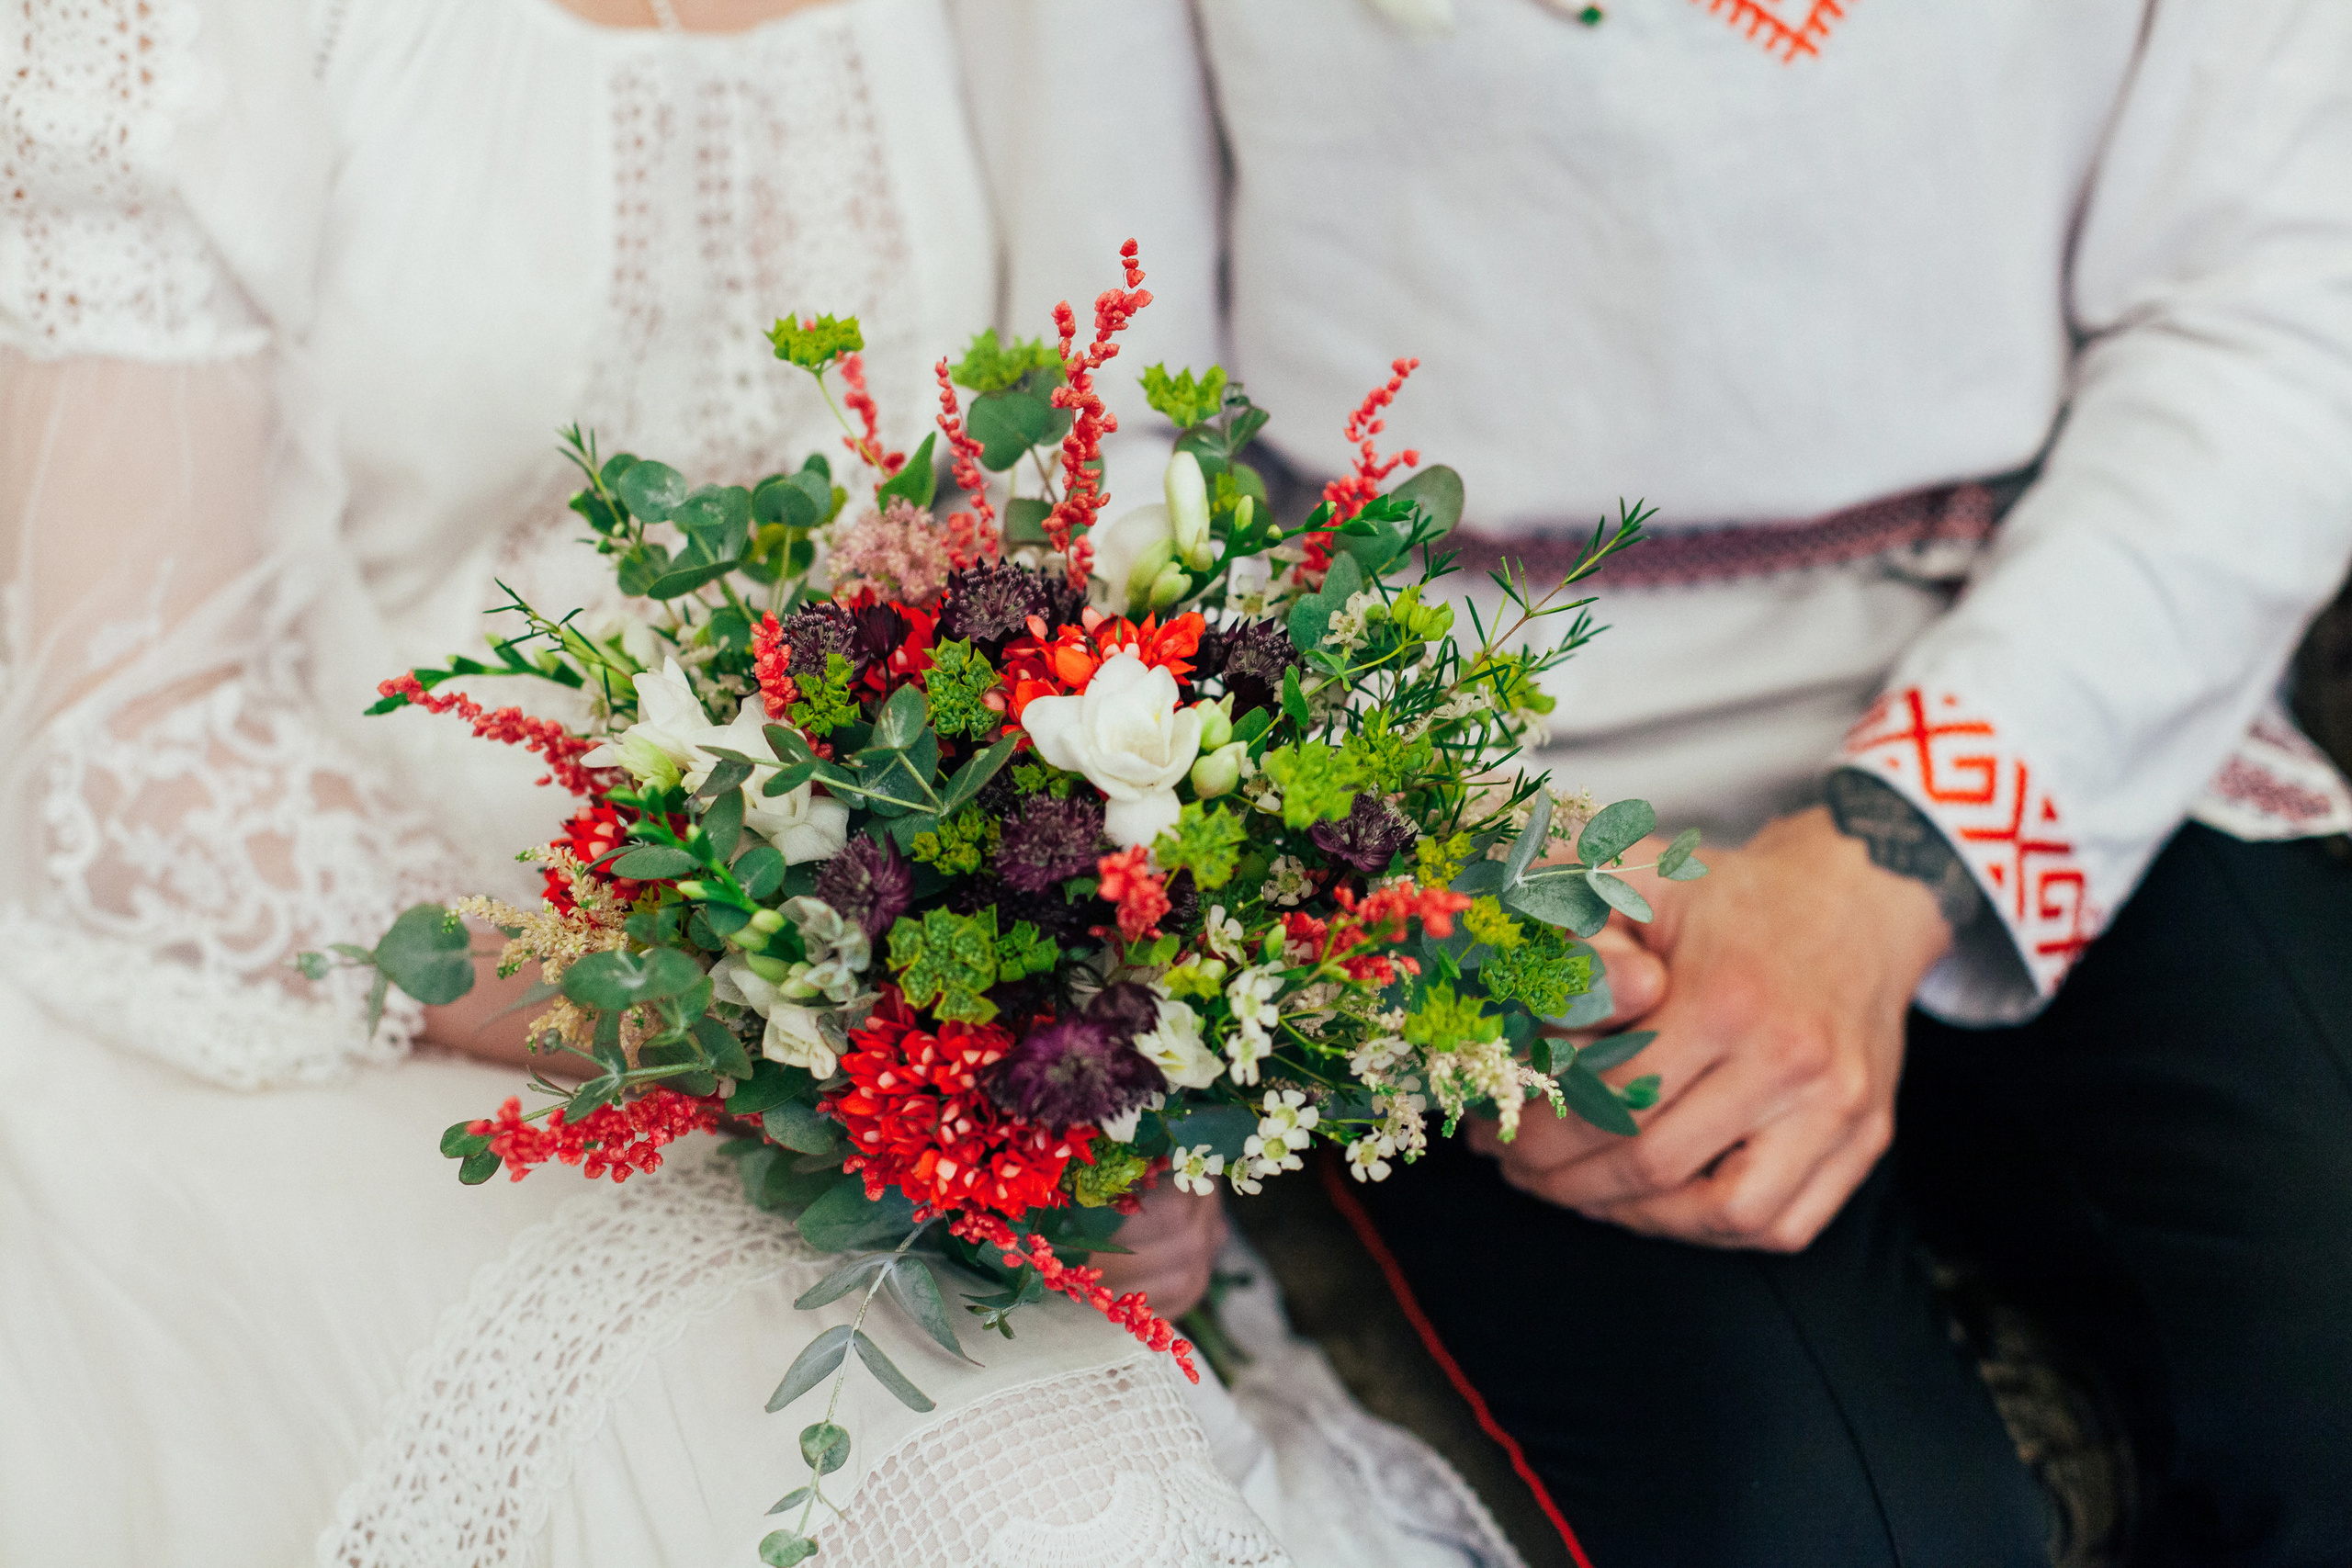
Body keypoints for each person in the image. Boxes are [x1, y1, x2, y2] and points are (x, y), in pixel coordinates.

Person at [0, 3, 1519, 1564]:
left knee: (1058, 1495)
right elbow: (135, 743)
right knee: (995, 1511)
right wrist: (755, 1042)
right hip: (331, 1015)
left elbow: (1104, 493)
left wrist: (1093, 1087)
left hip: (874, 988)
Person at [964, 2, 2352, 1563]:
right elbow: (1111, 415)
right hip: (1442, 742)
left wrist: (1884, 863)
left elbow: (2269, 314)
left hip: (2043, 649)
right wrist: (1409, 849)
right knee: (1835, 1529)